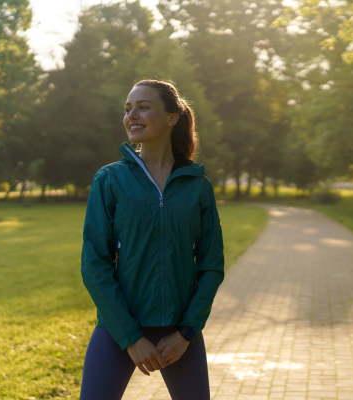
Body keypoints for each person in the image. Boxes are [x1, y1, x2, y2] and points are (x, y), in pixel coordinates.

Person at [79, 79, 224, 400]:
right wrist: (131, 337)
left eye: (143, 107)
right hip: (119, 329)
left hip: (178, 333)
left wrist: (186, 332)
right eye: (128, 109)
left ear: (172, 117)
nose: (132, 115)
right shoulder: (110, 179)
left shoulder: (197, 186)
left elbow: (212, 266)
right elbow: (94, 264)